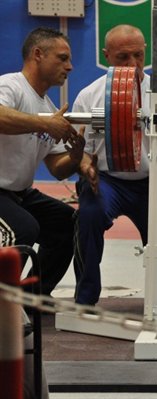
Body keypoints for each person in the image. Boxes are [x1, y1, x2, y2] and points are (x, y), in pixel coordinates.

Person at [72, 24, 157, 308]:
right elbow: (82, 150)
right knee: (88, 217)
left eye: (138, 56)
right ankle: (85, 297)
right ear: (106, 56)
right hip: (107, 181)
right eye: (122, 57)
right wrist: (85, 167)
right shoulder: (89, 97)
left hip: (150, 181)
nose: (132, 64)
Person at [0, 27, 88, 295]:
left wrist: (76, 155)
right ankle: (6, 309)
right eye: (62, 58)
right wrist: (45, 124)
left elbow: (58, 169)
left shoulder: (49, 107)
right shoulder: (10, 86)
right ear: (38, 54)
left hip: (19, 193)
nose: (70, 66)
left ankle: (33, 298)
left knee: (67, 222)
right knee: (23, 229)